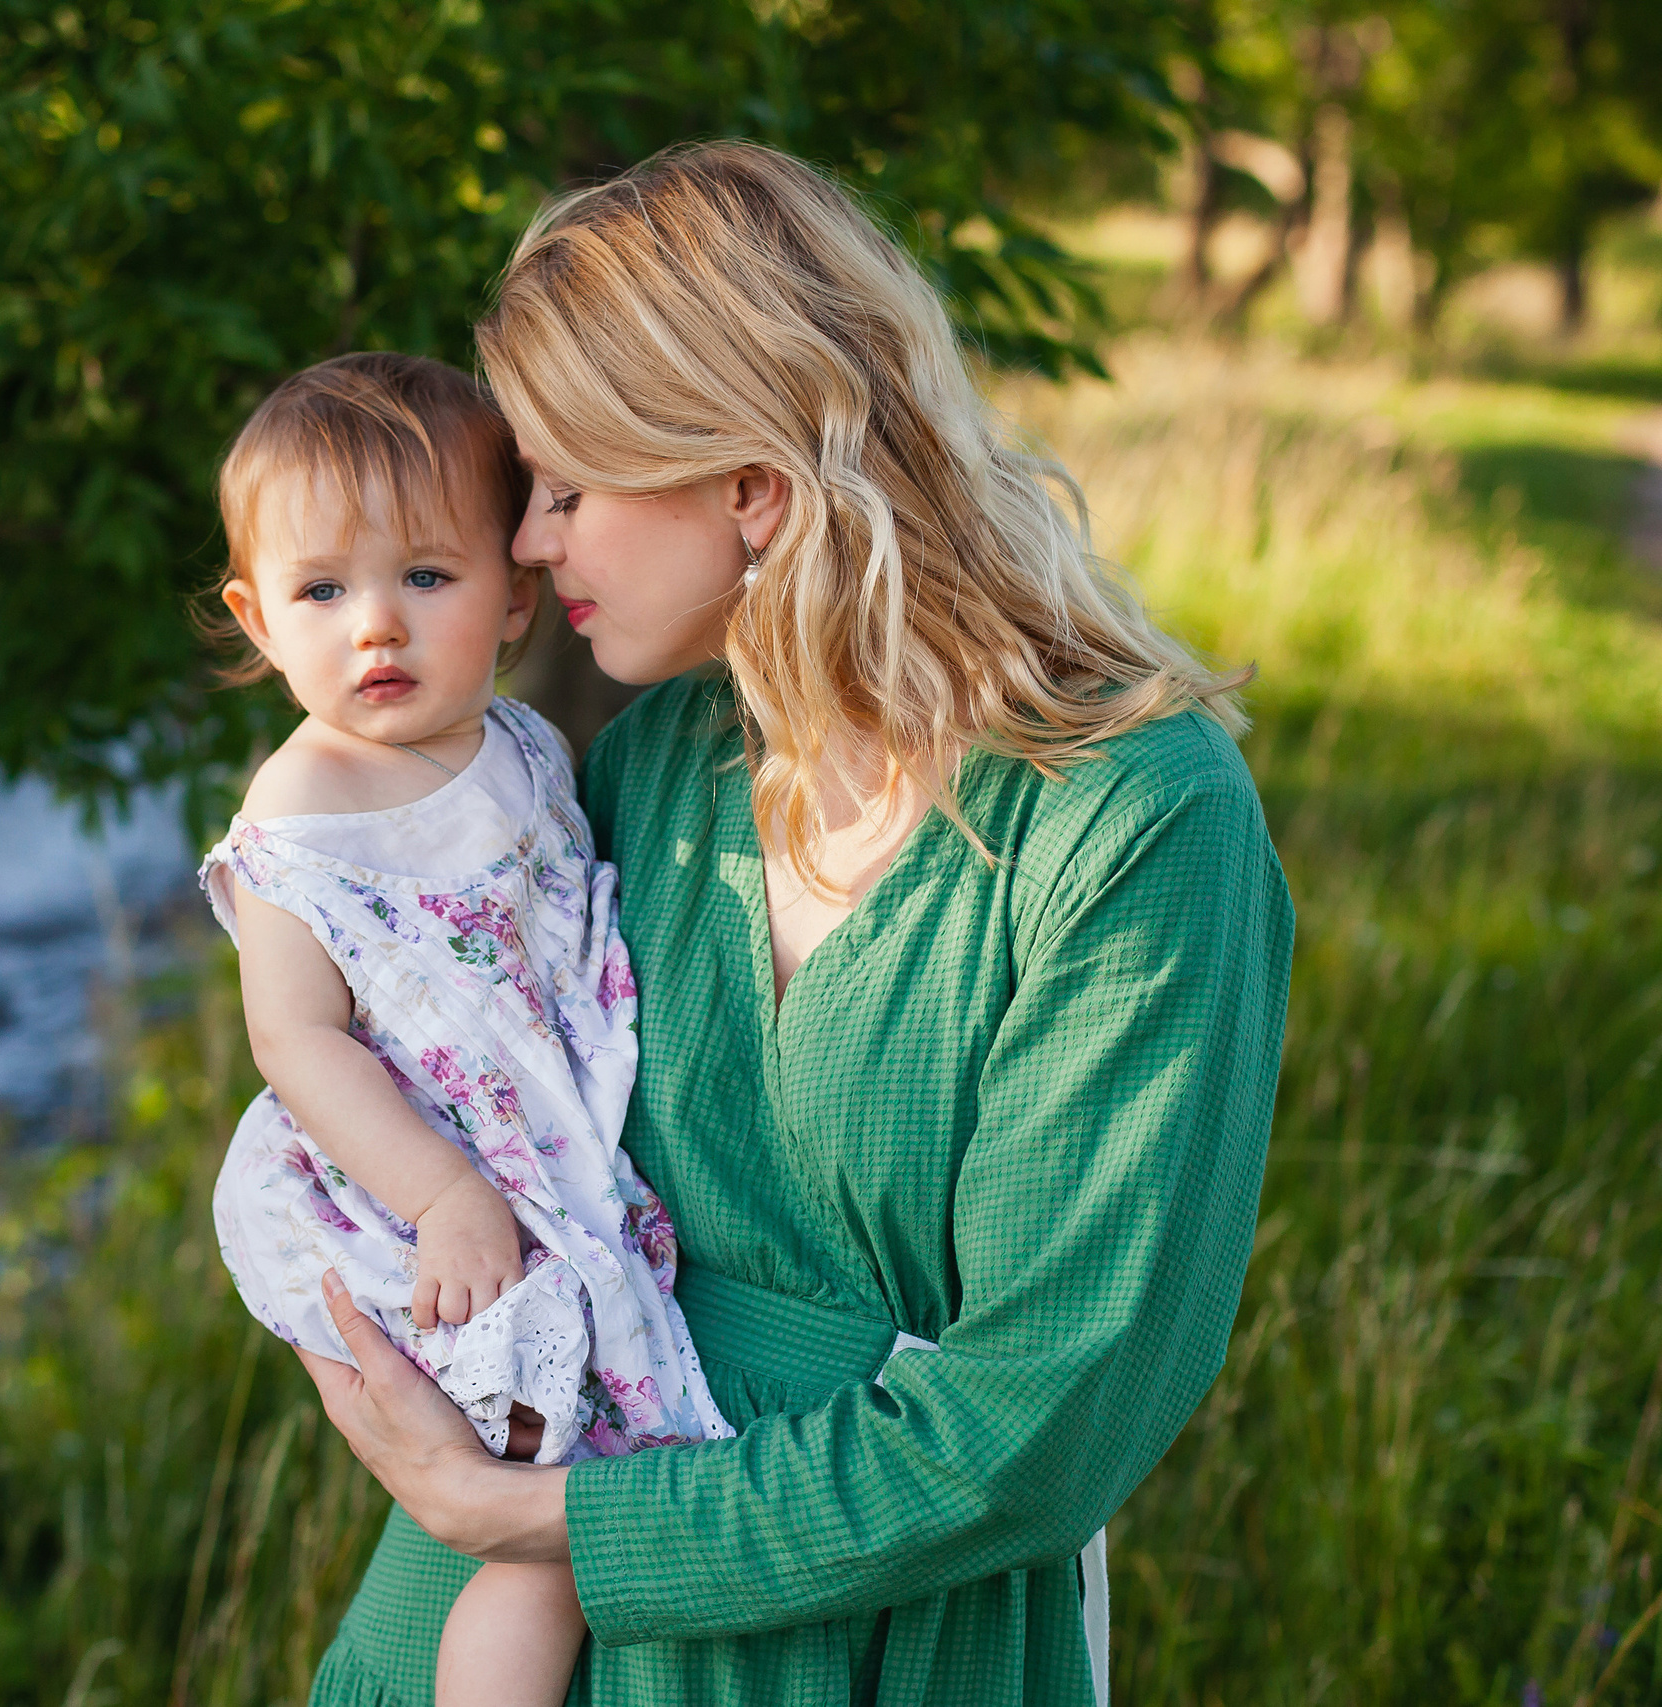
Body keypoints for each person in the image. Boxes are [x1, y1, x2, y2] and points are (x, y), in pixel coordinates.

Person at [290, 143, 1296, 1707]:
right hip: (480, 1625)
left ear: (750, 489)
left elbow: (1049, 1418)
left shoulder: (1131, 818)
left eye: (565, 489)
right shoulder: (654, 768)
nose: (530, 543)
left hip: (861, 1636)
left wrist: (536, 1512)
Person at [200, 351, 735, 1707]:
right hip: (429, 1186)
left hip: (551, 1143)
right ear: (257, 617)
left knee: (597, 1492)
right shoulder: (301, 816)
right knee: (537, 1522)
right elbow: (297, 1044)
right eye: (323, 592)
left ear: (511, 599)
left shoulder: (527, 748)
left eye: (425, 580)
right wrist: (445, 1197)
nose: (375, 627)